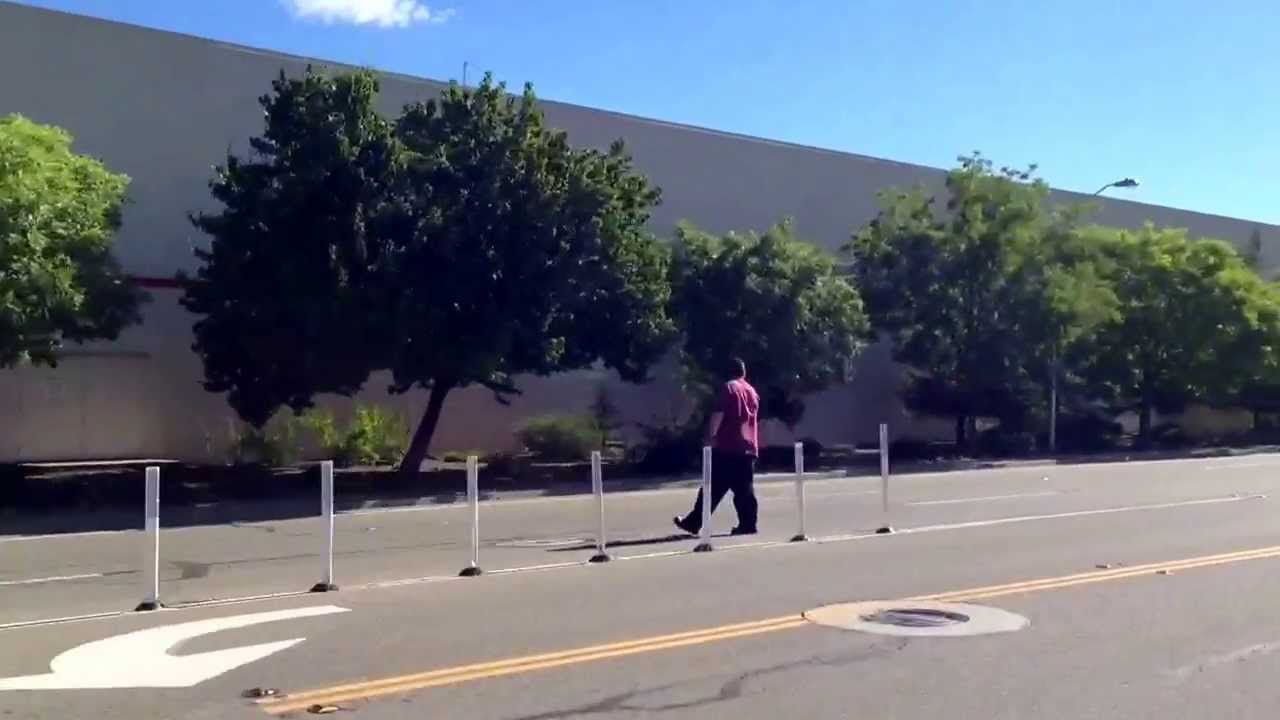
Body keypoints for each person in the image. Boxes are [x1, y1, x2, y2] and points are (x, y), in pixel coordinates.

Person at [674, 357, 760, 536]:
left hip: (727, 446)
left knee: (712, 488)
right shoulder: (752, 391)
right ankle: (748, 524)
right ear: (743, 372)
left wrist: (711, 436)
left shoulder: (728, 388)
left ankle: (694, 522)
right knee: (744, 489)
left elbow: (719, 414)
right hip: (748, 447)